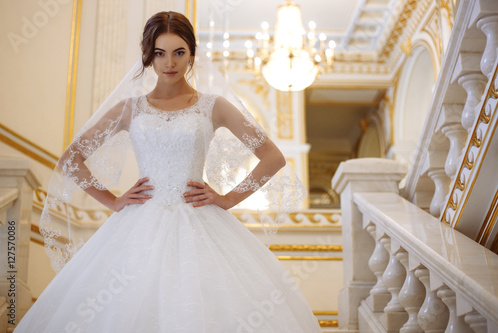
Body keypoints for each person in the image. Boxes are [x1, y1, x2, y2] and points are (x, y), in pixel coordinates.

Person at [14, 11, 322, 332]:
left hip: (200, 222)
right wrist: (114, 201)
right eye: (160, 53)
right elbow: (70, 159)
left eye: (179, 53)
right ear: (149, 55)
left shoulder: (212, 105)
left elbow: (273, 157)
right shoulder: (131, 109)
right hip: (138, 223)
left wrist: (228, 198)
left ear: (191, 55)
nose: (169, 63)